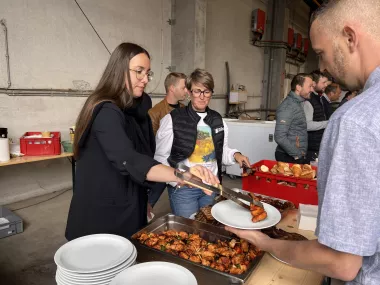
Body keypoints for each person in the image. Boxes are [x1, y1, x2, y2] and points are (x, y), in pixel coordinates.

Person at [226, 0, 380, 283]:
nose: (322, 67)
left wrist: (266, 243)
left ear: (350, 37)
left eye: (321, 53)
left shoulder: (355, 119)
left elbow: (342, 263)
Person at [65, 43, 218, 240]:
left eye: (148, 73)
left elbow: (146, 156)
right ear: (119, 70)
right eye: (139, 72)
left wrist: (144, 199)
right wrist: (182, 175)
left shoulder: (137, 112)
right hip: (103, 214)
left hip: (131, 204)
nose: (145, 79)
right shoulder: (106, 111)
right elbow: (130, 159)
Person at [154, 68, 250, 218]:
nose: (202, 97)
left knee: (208, 227)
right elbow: (160, 157)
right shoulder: (173, 119)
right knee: (189, 231)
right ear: (189, 92)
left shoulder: (218, 120)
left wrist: (236, 155)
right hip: (185, 188)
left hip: (211, 187)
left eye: (206, 91)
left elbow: (220, 152)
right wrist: (177, 180)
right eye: (197, 91)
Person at [147, 72, 187, 211]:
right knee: (150, 197)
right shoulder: (154, 113)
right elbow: (151, 144)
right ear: (172, 88)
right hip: (162, 161)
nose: (186, 91)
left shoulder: (185, 110)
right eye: (183, 88)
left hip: (180, 161)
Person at [274, 73, 313, 163]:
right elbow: (279, 137)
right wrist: (298, 154)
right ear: (298, 87)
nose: (311, 89)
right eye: (309, 86)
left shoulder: (297, 104)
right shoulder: (288, 106)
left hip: (294, 155)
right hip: (289, 156)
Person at [303, 71, 330, 162]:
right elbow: (307, 125)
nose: (326, 85)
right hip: (312, 148)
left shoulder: (319, 98)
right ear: (314, 83)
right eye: (323, 82)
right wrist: (327, 123)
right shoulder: (309, 101)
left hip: (318, 145)